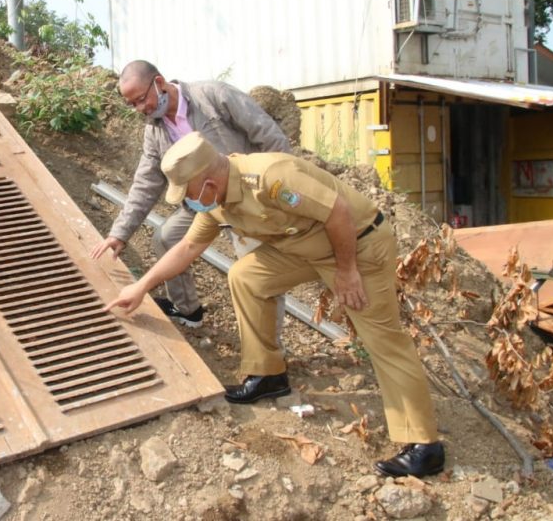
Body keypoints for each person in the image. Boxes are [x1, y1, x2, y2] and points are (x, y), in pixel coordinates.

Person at [104, 132, 445, 478]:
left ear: (206, 182)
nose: (188, 202)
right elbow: (187, 248)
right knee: (247, 276)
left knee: (384, 340)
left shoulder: (270, 177)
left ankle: (424, 446)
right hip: (304, 249)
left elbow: (337, 212)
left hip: (357, 245)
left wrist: (347, 271)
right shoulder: (217, 202)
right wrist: (142, 287)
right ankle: (268, 374)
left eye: (188, 194)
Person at [90, 60, 291, 328]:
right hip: (202, 204)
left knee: (257, 271)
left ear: (159, 83)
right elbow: (146, 182)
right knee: (167, 238)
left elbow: (270, 136)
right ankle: (187, 310)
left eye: (141, 99)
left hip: (244, 196)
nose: (140, 109)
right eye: (132, 105)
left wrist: (276, 191)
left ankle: (270, 356)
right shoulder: (155, 130)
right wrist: (119, 233)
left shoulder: (213, 97)